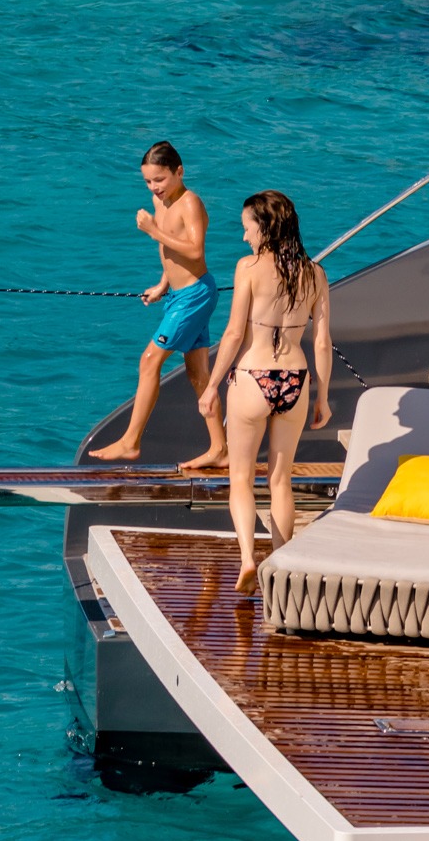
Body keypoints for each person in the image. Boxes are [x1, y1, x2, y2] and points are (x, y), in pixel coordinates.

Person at [198, 189, 333, 594]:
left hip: (253, 377)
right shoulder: (316, 273)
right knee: (280, 480)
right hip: (296, 380)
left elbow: (233, 333)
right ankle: (281, 562)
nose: (244, 237)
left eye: (247, 228)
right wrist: (323, 397)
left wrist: (211, 385)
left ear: (266, 227)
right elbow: (323, 342)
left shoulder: (249, 268)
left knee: (241, 478)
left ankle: (246, 559)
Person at [90, 141, 225, 468]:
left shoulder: (190, 203)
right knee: (198, 374)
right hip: (180, 295)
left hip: (195, 296)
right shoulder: (158, 201)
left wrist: (153, 231)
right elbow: (172, 253)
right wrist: (163, 284)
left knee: (150, 360)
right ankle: (220, 448)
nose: (154, 187)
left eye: (160, 179)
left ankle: (131, 441)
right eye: (148, 181)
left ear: (179, 172)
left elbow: (195, 250)